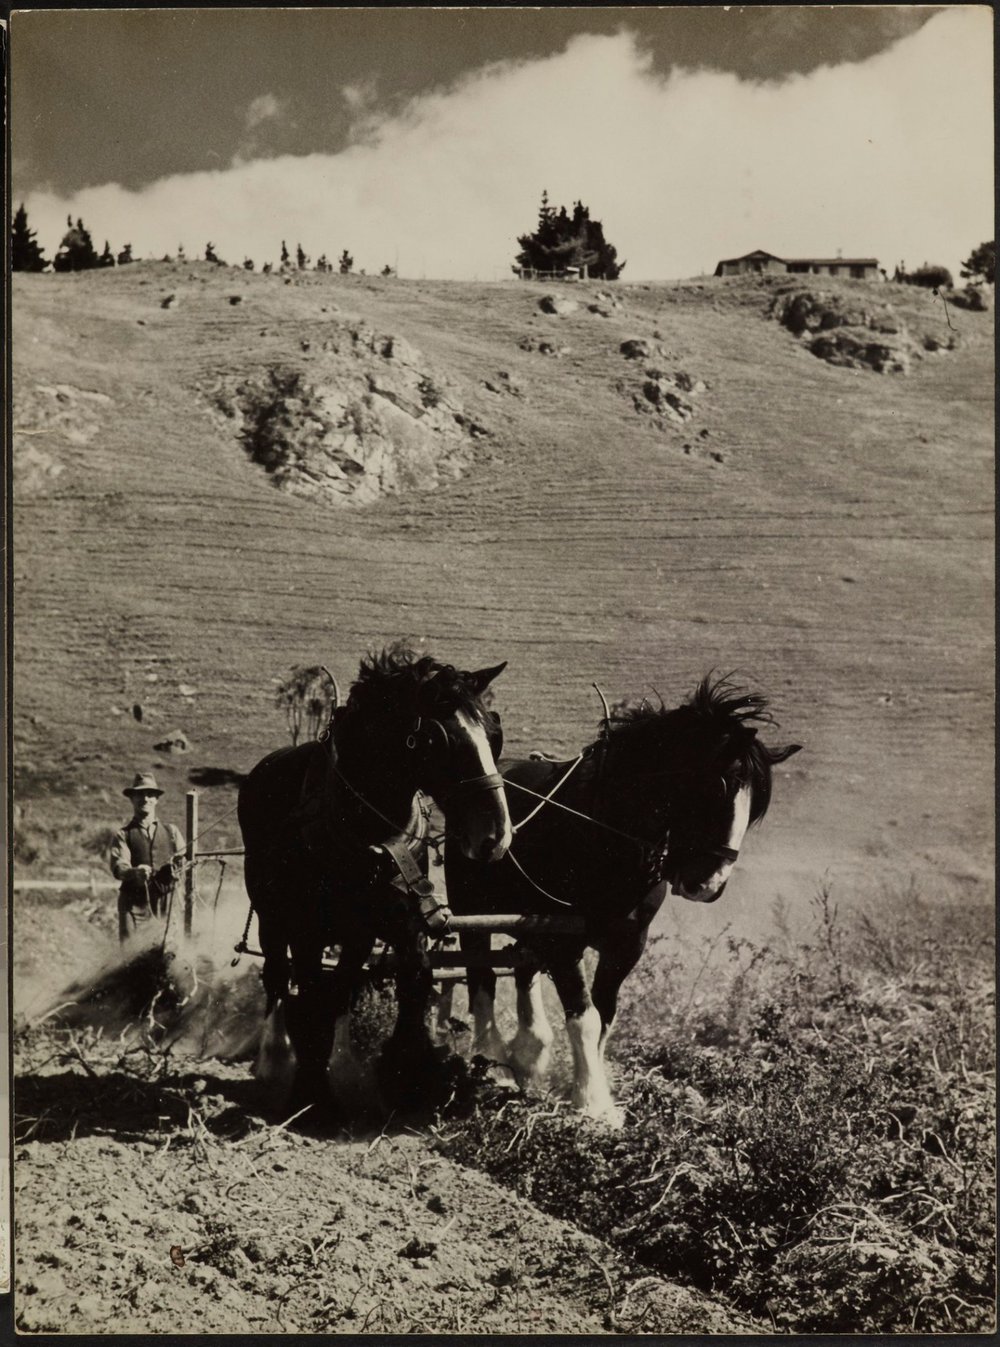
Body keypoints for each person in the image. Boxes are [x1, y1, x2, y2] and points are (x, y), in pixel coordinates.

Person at [110, 772, 184, 945]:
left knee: (169, 950)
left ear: (156, 799)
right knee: (132, 955)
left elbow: (186, 861)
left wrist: (178, 867)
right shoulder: (123, 835)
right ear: (132, 799)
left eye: (150, 794)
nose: (145, 799)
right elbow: (119, 866)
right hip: (133, 904)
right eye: (140, 794)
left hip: (166, 901)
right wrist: (135, 872)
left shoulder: (171, 831)